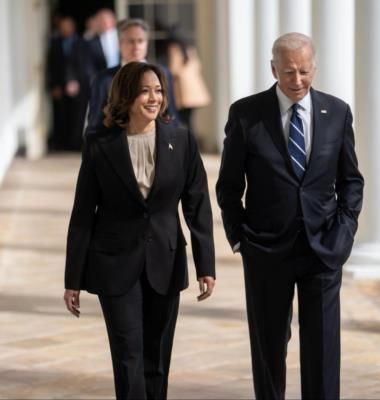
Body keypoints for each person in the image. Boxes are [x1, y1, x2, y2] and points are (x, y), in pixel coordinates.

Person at [216, 32, 364, 399]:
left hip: (323, 248)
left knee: (324, 350)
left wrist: (344, 232)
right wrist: (240, 239)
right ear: (273, 70)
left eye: (304, 71)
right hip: (265, 251)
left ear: (314, 67)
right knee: (268, 349)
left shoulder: (337, 111)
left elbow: (351, 181)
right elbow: (228, 186)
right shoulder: (246, 113)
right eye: (288, 72)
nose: (297, 81)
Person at [64, 61, 215, 399]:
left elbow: (197, 205)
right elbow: (83, 213)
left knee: (157, 357)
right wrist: (72, 278)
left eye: (159, 90)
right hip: (114, 263)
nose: (154, 98)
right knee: (128, 354)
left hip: (165, 259)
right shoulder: (100, 143)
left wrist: (206, 265)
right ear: (126, 95)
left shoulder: (182, 140)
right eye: (145, 90)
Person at [85, 18, 178, 136]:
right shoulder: (103, 79)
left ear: (147, 43)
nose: (136, 46)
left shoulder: (163, 73)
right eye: (131, 41)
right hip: (117, 146)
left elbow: (171, 115)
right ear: (119, 44)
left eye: (140, 41)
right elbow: (95, 122)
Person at [46, 15, 90, 151]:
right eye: (62, 27)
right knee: (61, 115)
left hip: (80, 86)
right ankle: (61, 144)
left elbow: (85, 65)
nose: (64, 29)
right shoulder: (55, 43)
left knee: (78, 116)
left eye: (67, 26)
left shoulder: (82, 42)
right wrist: (54, 86)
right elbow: (51, 66)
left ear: (73, 27)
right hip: (60, 87)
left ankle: (76, 144)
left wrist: (77, 82)